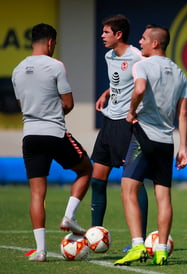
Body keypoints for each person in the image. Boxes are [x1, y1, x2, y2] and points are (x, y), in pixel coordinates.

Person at [11, 23, 92, 262]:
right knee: (86, 169)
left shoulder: (17, 70)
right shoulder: (56, 66)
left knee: (37, 194)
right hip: (54, 132)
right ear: (50, 42)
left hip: (30, 135)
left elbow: (21, 106)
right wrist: (52, 112)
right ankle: (69, 217)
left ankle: (41, 251)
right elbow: (68, 103)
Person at [113, 24, 187, 266]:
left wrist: (131, 111)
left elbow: (140, 88)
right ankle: (162, 249)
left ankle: (137, 245)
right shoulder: (179, 73)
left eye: (144, 39)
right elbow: (183, 114)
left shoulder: (142, 65)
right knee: (163, 196)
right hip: (167, 141)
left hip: (144, 134)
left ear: (155, 43)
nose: (140, 42)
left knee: (128, 188)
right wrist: (183, 147)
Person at [90, 14, 148, 244]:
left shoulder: (138, 57)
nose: (102, 36)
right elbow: (118, 83)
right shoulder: (108, 56)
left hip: (127, 125)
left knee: (134, 183)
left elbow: (144, 83)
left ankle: (140, 238)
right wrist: (107, 93)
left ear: (118, 34)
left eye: (106, 32)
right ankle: (94, 235)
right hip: (108, 123)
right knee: (97, 179)